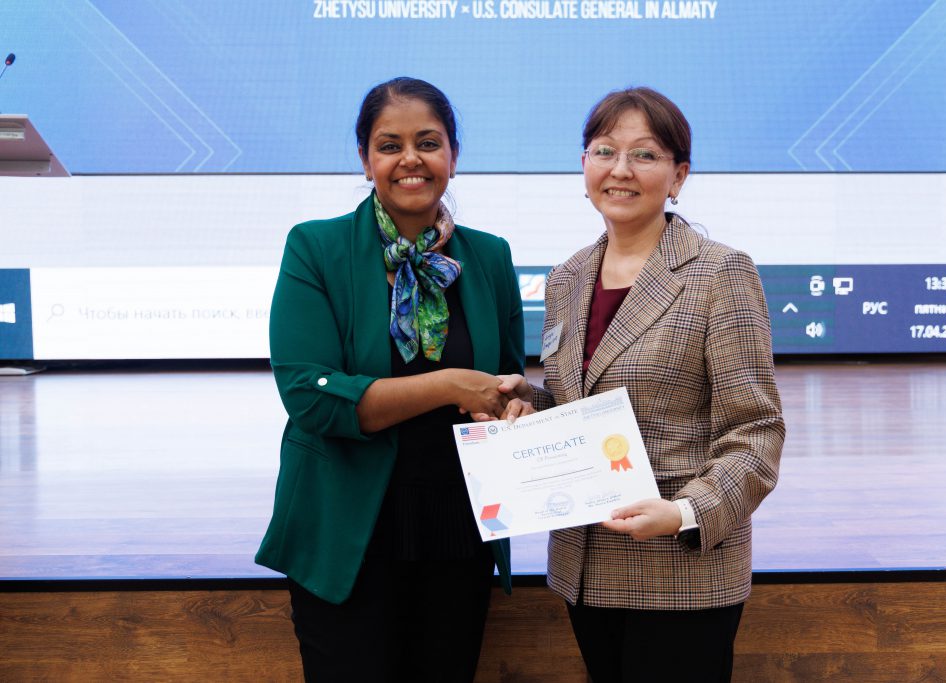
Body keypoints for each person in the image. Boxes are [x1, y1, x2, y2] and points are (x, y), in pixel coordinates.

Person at [497, 87, 785, 682]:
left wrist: (683, 513)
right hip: (585, 565)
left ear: (679, 176)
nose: (620, 169)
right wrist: (528, 407)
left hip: (682, 569)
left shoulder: (720, 272)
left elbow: (757, 432)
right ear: (584, 166)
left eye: (645, 154)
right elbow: (581, 406)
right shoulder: (567, 278)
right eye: (604, 151)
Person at [255, 77, 525, 682]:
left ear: (453, 154)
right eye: (389, 145)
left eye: (428, 143)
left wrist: (518, 403)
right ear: (365, 158)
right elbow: (311, 398)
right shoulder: (316, 247)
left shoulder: (490, 256)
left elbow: (507, 381)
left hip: (459, 531)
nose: (411, 159)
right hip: (347, 532)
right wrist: (449, 385)